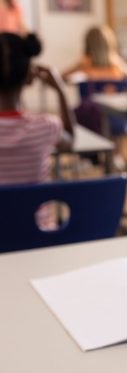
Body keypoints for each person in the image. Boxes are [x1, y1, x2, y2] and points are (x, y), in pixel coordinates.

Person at [0, 32, 75, 228]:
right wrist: (61, 90)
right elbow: (70, 140)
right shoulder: (45, 126)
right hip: (38, 235)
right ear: (30, 77)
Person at [62, 25, 127, 82]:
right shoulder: (117, 63)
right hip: (116, 100)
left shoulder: (84, 63)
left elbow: (62, 77)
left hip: (90, 100)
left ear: (88, 44)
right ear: (110, 44)